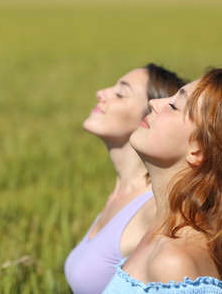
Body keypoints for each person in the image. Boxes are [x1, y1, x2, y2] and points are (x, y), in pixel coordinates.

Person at [103, 68, 222, 294]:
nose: (155, 102)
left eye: (175, 106)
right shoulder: (162, 233)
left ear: (198, 150)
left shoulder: (174, 263)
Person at [65, 64, 186, 294]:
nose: (101, 93)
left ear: (151, 115)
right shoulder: (119, 194)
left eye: (121, 93)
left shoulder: (153, 209)